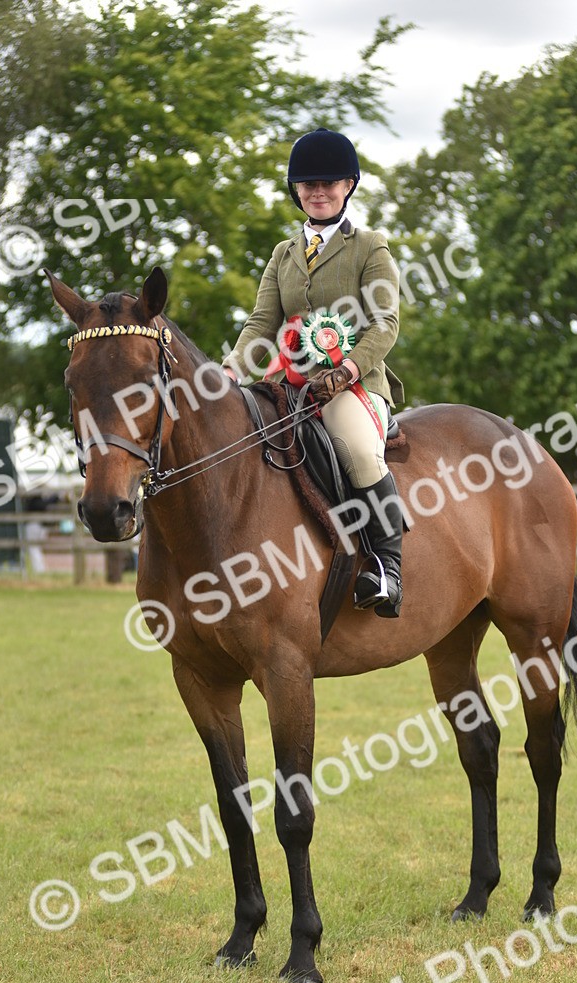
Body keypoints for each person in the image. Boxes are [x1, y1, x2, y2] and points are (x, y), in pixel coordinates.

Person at [222, 127, 405, 617]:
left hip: (353, 386)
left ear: (348, 185)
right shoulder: (283, 255)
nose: (317, 191)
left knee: (361, 452)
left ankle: (388, 569)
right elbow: (263, 322)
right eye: (308, 184)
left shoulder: (370, 246)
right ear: (296, 191)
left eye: (328, 182)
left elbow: (385, 323)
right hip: (290, 385)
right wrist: (230, 369)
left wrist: (346, 370)